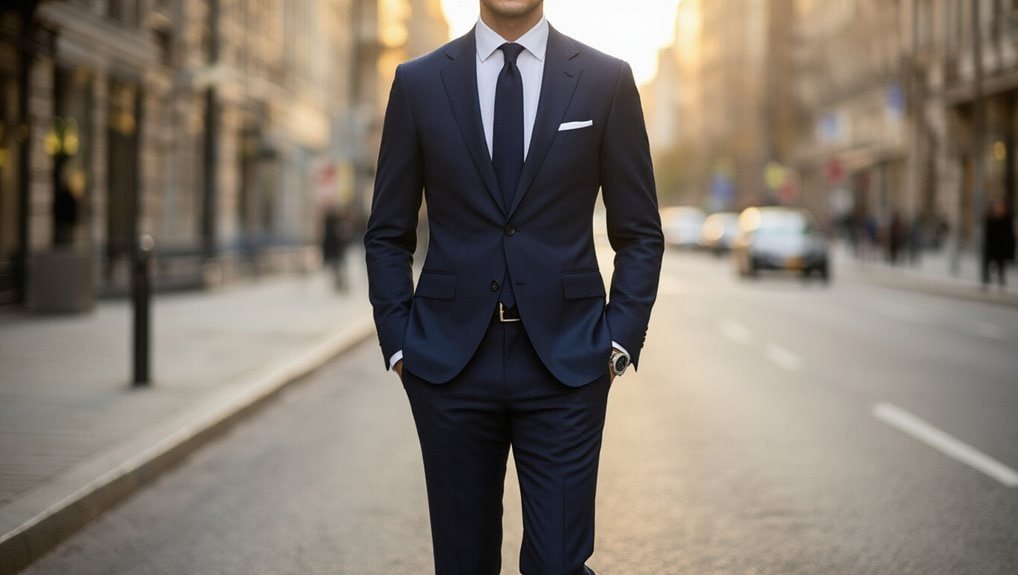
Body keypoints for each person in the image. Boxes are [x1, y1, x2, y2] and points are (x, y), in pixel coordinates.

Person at [363, 0, 664, 573]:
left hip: (568, 365)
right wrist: (401, 346)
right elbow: (387, 233)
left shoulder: (606, 80)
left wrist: (619, 340)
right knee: (463, 562)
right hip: (448, 366)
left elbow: (640, 232)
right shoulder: (418, 82)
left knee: (558, 564)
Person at [982, 198, 1015, 287]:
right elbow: (987, 231)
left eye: (1002, 207)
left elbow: (1009, 233)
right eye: (999, 207)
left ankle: (1001, 278)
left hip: (1001, 246)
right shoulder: (991, 218)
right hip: (991, 244)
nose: (1000, 209)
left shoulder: (1007, 219)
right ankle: (986, 278)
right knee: (987, 262)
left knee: (1001, 264)